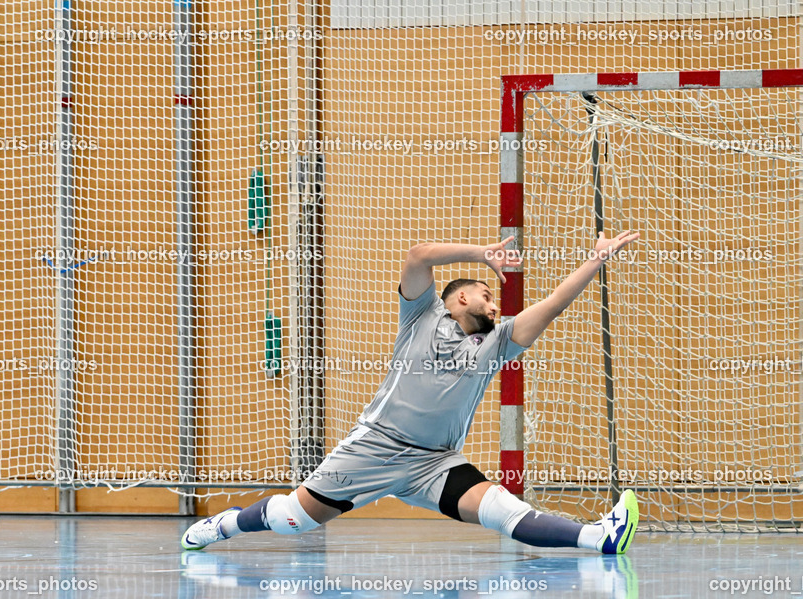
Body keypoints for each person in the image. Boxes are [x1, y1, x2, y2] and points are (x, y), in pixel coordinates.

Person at [183, 231, 641, 554]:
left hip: (434, 461)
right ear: (460, 298)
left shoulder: (498, 341)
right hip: (376, 447)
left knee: (499, 506)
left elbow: (553, 305)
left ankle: (597, 537)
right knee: (292, 520)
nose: (495, 303)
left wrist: (596, 258)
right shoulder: (420, 315)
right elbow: (419, 255)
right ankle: (223, 524)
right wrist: (481, 254)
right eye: (486, 294)